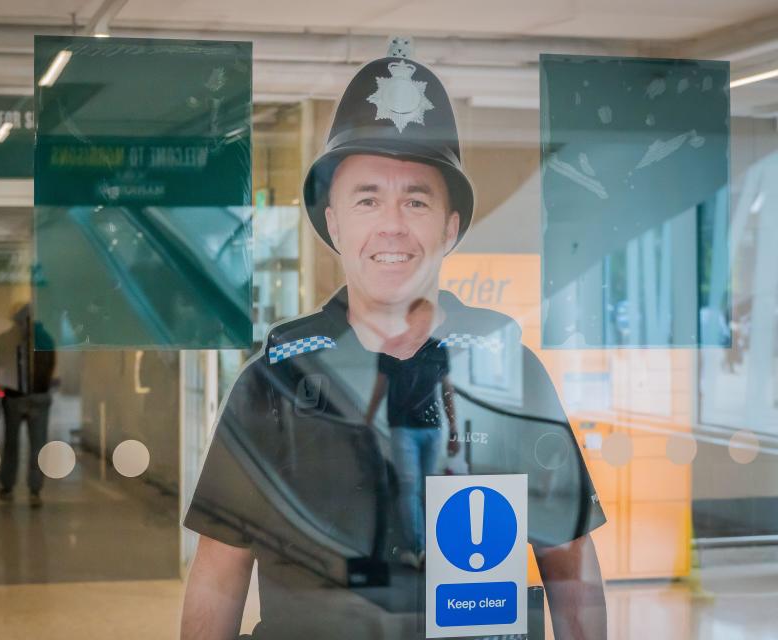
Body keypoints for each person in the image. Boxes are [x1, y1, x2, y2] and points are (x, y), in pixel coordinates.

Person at [182, 40, 607, 640]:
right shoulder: (276, 381)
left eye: (415, 200)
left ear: (450, 225)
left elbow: (570, 568)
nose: (392, 225)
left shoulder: (507, 372)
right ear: (332, 220)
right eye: (367, 199)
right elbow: (218, 575)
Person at [364, 298, 460, 569]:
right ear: (408, 319)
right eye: (419, 318)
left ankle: (431, 547)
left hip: (432, 428)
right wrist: (367, 421)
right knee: (409, 485)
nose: (424, 323)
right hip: (402, 426)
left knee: (428, 490)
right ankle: (418, 549)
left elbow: (447, 389)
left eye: (428, 319)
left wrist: (454, 430)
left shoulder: (438, 348)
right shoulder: (390, 347)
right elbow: (380, 387)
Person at [0, 303, 56, 508]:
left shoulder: (4, 339)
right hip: (39, 396)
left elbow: (0, 367)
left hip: (14, 397)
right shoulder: (46, 338)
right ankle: (35, 490)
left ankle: (8, 487)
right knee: (37, 445)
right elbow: (51, 367)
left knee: (11, 444)